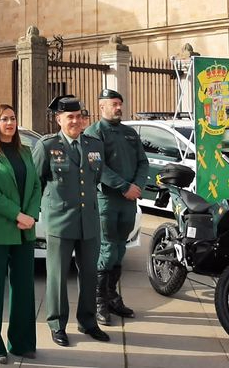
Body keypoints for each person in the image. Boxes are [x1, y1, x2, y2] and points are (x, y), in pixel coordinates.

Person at [32, 95, 109, 347]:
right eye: (70, 117)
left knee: (89, 274)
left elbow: (94, 179)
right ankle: (57, 324)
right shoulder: (46, 146)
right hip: (60, 222)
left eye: (78, 116)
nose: (75, 121)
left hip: (89, 221)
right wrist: (37, 214)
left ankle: (88, 322)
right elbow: (36, 183)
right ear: (59, 119)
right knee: (57, 276)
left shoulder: (94, 145)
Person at [0, 104, 41, 364]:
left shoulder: (25, 151)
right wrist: (17, 215)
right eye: (4, 119)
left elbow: (36, 184)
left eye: (13, 118)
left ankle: (22, 343)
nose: (10, 123)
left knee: (24, 288)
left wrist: (32, 215)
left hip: (25, 231)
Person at [85, 89, 148, 325]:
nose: (118, 107)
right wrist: (123, 186)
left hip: (128, 201)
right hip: (107, 200)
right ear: (102, 107)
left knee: (121, 249)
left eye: (120, 103)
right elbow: (97, 167)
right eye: (114, 104)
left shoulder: (130, 133)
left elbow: (143, 162)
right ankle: (99, 301)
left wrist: (137, 187)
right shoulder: (95, 132)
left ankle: (112, 297)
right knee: (107, 250)